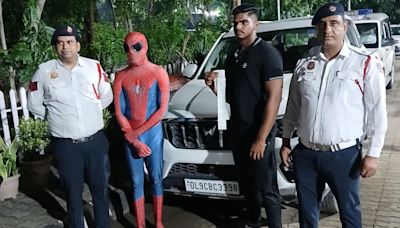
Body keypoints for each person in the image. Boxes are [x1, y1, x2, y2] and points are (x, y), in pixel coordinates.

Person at [280, 3, 388, 228]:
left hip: (344, 156)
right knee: (307, 215)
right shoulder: (304, 63)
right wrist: (286, 140)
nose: (328, 30)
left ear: (345, 26)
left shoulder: (364, 62)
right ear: (316, 30)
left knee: (349, 213)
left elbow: (377, 111)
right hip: (306, 154)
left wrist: (374, 153)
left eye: (334, 24)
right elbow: (293, 106)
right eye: (322, 25)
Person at [205, 4, 283, 228]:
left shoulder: (267, 54)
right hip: (239, 132)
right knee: (248, 185)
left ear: (256, 24)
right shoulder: (234, 55)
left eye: (243, 22)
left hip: (259, 134)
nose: (238, 27)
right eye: (235, 23)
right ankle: (254, 222)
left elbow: (274, 99)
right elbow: (233, 97)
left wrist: (261, 139)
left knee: (267, 188)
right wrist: (213, 87)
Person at [27, 25, 113, 228]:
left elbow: (106, 95)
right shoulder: (44, 72)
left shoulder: (94, 67)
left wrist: (90, 112)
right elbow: (34, 104)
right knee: (73, 197)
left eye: (70, 42)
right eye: (60, 42)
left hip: (96, 143)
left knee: (100, 193)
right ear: (56, 47)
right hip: (67, 146)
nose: (66, 47)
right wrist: (57, 119)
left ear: (78, 45)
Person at [113, 32, 169, 228]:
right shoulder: (120, 76)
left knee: (156, 179)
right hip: (131, 136)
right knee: (136, 182)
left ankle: (158, 222)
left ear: (145, 48)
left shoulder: (158, 72)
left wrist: (135, 135)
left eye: (136, 47)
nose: (131, 52)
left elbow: (162, 110)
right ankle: (140, 225)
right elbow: (119, 111)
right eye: (127, 48)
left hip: (151, 134)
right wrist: (134, 140)